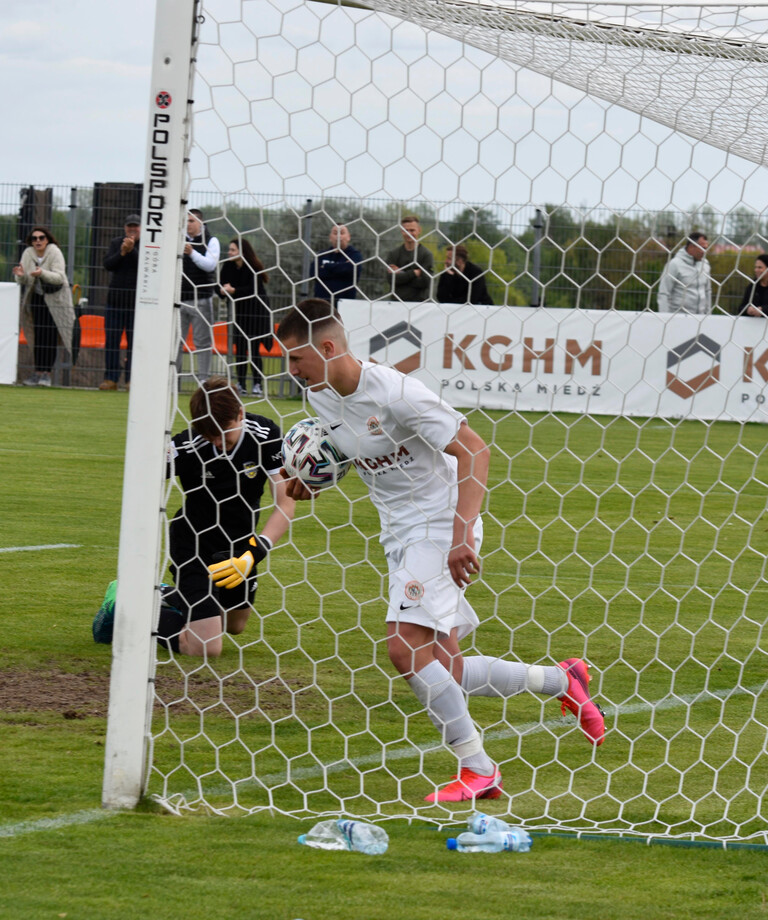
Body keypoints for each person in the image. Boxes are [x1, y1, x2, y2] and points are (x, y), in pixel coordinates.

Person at [276, 298, 605, 803]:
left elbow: (475, 450)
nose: (288, 368)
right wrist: (311, 482)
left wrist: (459, 535)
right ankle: (562, 680)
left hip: (442, 525)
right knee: (446, 669)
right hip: (398, 535)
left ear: (326, 347)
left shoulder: (397, 392)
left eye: (295, 358)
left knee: (404, 647)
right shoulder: (320, 396)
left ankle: (478, 768)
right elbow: (352, 456)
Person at [159, 377, 294, 657]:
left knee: (235, 625)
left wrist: (251, 555)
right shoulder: (186, 444)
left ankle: (164, 595)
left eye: (225, 434)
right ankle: (130, 604)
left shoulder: (266, 435)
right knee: (206, 647)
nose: (219, 444)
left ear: (241, 414)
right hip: (193, 546)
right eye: (211, 437)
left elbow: (285, 503)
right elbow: (144, 479)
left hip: (239, 547)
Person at [13, 227, 75, 387]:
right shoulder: (28, 253)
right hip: (37, 298)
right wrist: (19, 276)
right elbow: (25, 279)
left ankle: (46, 374)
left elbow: (60, 278)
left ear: (47, 239)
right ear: (31, 241)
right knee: (37, 336)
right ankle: (37, 372)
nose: (38, 241)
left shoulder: (54, 252)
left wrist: (42, 273)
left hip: (56, 300)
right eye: (34, 239)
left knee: (50, 337)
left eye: (41, 238)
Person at [219, 238, 272, 397]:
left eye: (233, 250)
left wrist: (233, 290)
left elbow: (252, 289)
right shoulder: (228, 266)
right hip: (239, 313)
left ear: (242, 252)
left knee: (254, 349)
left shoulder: (252, 267)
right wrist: (222, 290)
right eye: (229, 249)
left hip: (255, 313)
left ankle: (257, 384)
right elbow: (220, 284)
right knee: (240, 348)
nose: (229, 253)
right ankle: (241, 383)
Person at [177, 209, 221, 383]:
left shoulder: (212, 241)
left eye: (191, 221)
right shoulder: (178, 239)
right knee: (176, 341)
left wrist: (192, 253)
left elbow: (210, 265)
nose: (188, 225)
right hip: (179, 299)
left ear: (200, 223)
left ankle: (203, 381)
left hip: (201, 299)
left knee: (202, 342)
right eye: (186, 221)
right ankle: (175, 378)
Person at [100, 214, 141, 391]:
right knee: (112, 341)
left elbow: (144, 265)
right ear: (125, 228)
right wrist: (122, 252)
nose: (132, 230)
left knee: (134, 342)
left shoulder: (147, 244)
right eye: (129, 226)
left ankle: (132, 379)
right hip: (115, 301)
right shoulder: (117, 242)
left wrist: (132, 251)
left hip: (136, 303)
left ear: (141, 228)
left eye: (135, 226)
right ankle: (111, 378)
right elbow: (108, 264)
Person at [657, 232, 712, 314]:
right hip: (678, 318)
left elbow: (708, 291)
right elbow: (664, 293)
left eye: (706, 248)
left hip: (700, 319)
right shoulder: (674, 264)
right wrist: (665, 318)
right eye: (702, 248)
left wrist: (708, 316)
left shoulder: (705, 265)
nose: (704, 252)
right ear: (691, 247)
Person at [385, 215, 434, 302]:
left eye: (412, 230)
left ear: (419, 230)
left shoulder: (426, 255)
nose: (408, 233)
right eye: (405, 230)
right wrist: (414, 273)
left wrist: (401, 274)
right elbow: (391, 279)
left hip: (419, 304)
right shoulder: (393, 254)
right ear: (401, 231)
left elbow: (425, 282)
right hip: (397, 303)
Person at [314, 224, 363, 308]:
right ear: (330, 237)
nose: (339, 236)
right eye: (335, 233)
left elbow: (351, 269)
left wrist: (326, 266)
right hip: (322, 304)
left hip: (345, 304)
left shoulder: (355, 255)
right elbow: (313, 273)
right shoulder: (321, 255)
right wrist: (342, 268)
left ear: (348, 237)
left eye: (342, 233)